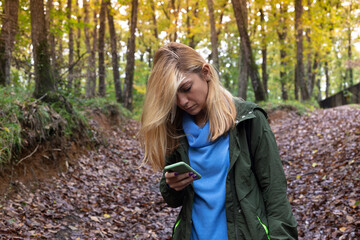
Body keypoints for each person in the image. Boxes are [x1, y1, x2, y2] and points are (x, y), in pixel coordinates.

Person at [139, 42, 298, 240]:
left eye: (186, 88)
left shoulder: (248, 120)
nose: (182, 101)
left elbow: (274, 192)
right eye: (173, 96)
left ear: (205, 73)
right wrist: (171, 184)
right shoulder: (175, 130)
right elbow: (174, 199)